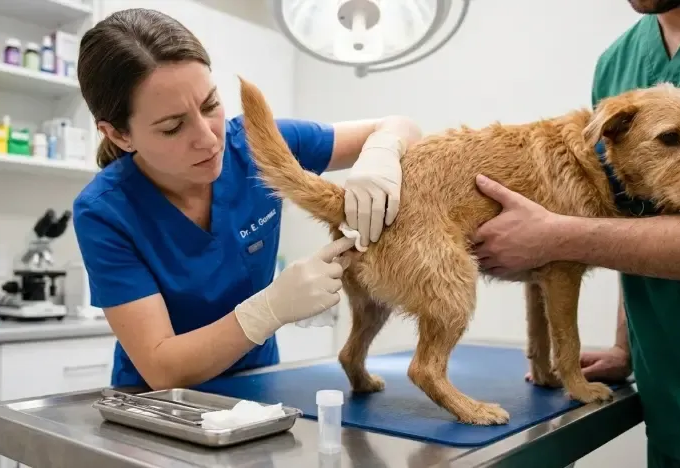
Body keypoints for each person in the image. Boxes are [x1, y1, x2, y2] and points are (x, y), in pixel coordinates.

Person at [71, 8, 422, 392]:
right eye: (173, 127)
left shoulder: (258, 145)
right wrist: (270, 308)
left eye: (210, 105)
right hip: (158, 406)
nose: (208, 138)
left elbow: (400, 126)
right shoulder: (105, 211)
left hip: (258, 388)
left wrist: (382, 152)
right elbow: (162, 368)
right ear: (119, 135)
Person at [471, 0, 680, 466]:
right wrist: (625, 347)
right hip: (669, 399)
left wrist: (557, 236)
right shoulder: (618, 61)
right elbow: (632, 220)